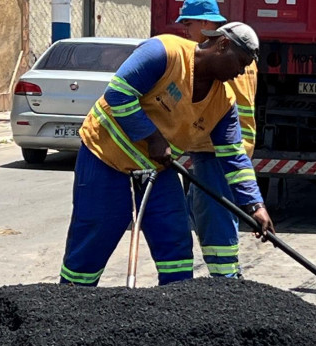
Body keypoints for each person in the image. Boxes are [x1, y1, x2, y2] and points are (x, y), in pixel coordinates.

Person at [59, 22, 274, 286]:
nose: (241, 72)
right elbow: (118, 93)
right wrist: (153, 137)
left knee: (176, 245)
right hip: (106, 161)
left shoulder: (224, 102)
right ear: (223, 45)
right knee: (92, 242)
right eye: (240, 63)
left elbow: (234, 157)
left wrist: (255, 205)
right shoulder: (164, 52)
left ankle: (174, 312)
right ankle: (73, 303)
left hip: (157, 171)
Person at [170, 0, 261, 277]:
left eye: (190, 23)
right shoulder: (233, 55)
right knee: (201, 215)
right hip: (214, 151)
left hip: (219, 153)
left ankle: (227, 283)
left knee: (216, 222)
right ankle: (228, 279)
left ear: (208, 23)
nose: (185, 30)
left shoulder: (225, 61)